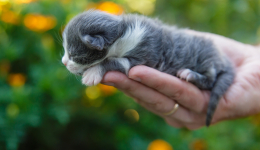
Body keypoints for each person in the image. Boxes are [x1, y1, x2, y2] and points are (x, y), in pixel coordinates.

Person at [102, 33, 260, 130]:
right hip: (194, 59)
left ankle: (205, 78)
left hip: (212, 62)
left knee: (207, 62)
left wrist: (252, 62)